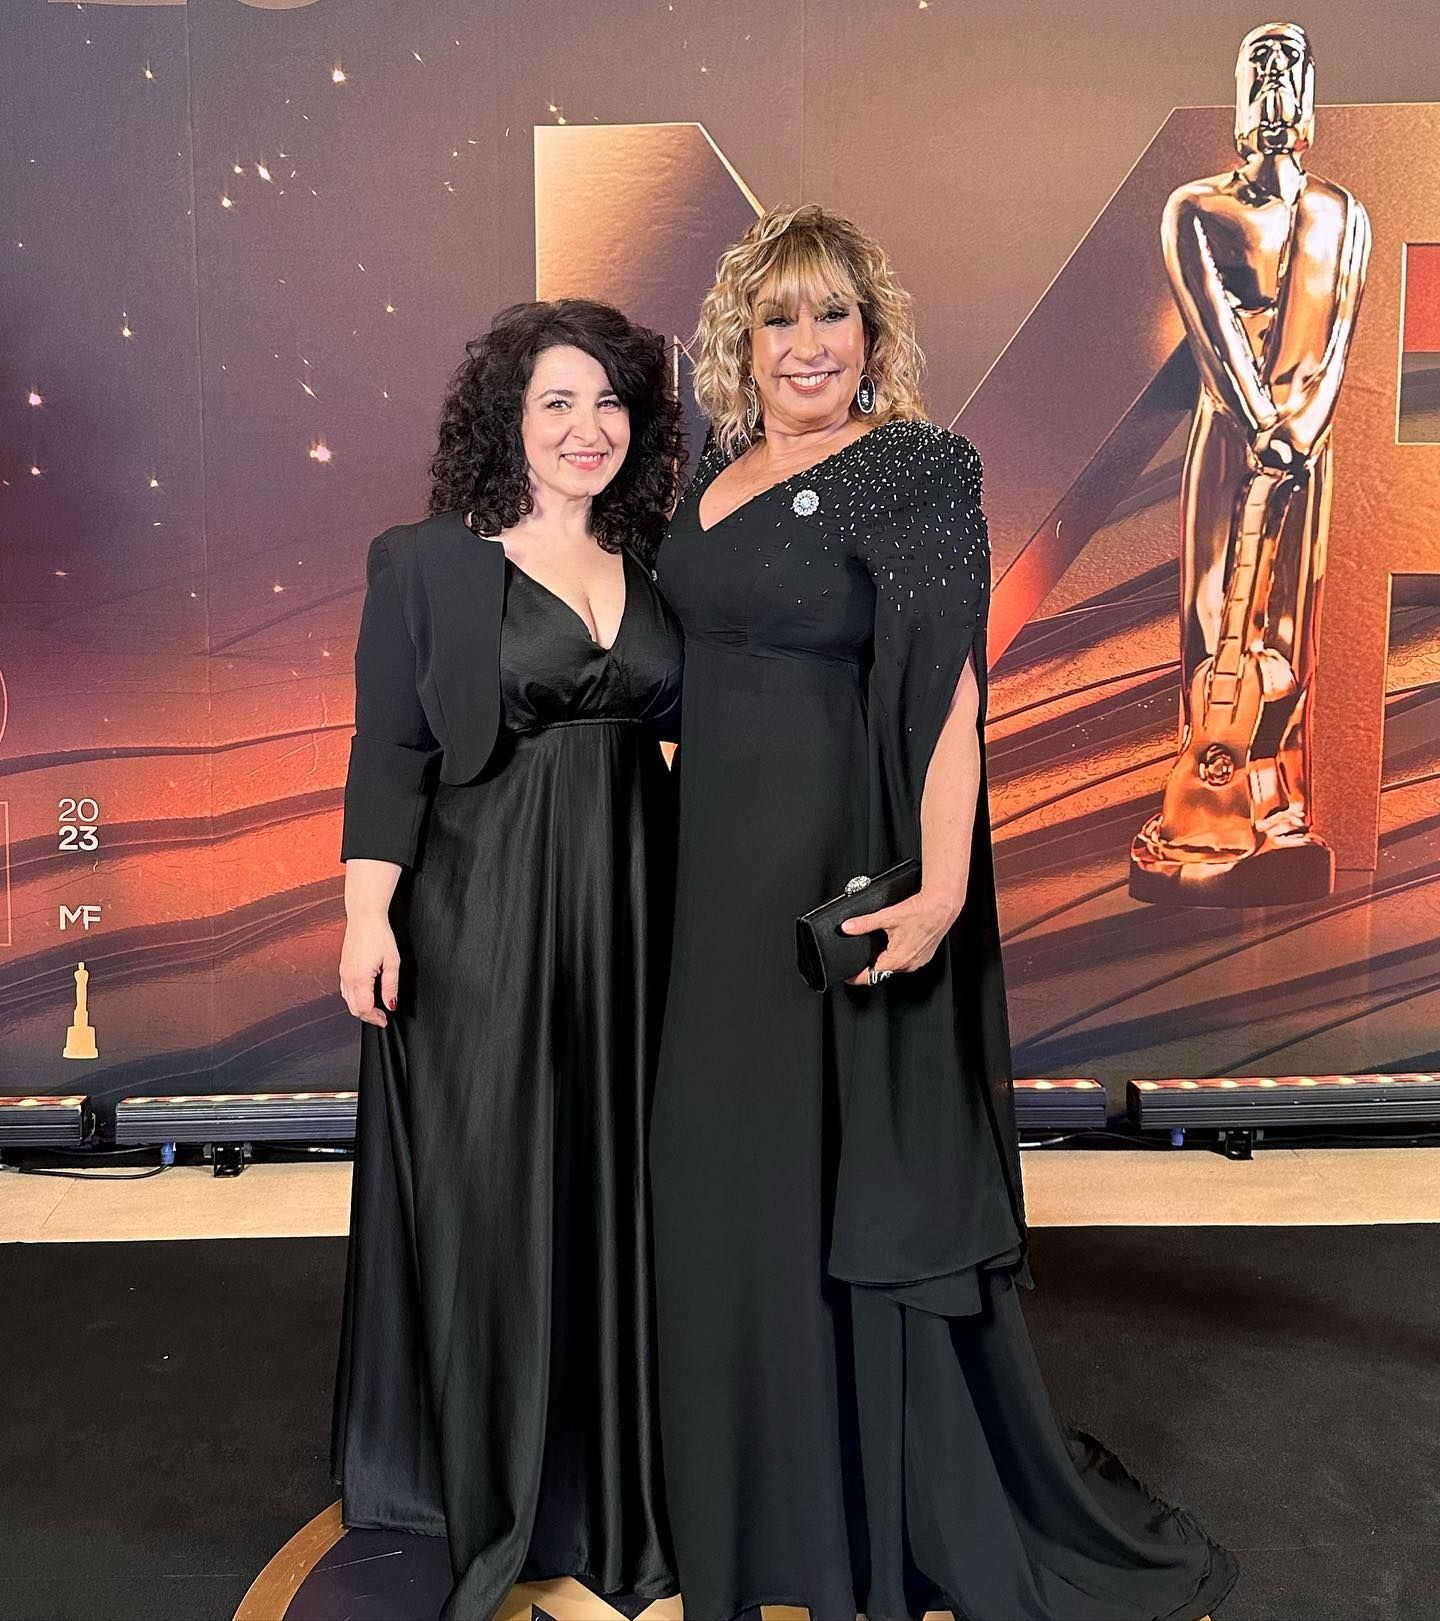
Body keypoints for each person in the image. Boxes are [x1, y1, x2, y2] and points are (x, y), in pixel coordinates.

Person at [650, 204, 1237, 1621]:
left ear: (874, 335)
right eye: (779, 317)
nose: (807, 345)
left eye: (833, 316)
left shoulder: (915, 467)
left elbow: (948, 688)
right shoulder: (711, 471)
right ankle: (742, 1511)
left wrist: (942, 890)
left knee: (831, 1183)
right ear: (740, 337)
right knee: (725, 1186)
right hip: (704, 890)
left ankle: (851, 1521)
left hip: (829, 877)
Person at [332, 299, 683, 1621]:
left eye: (610, 403)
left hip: (636, 915)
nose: (589, 428)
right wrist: (367, 916)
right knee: (498, 1193)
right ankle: (502, 1486)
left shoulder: (661, 555)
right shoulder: (428, 562)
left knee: (620, 1182)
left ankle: (614, 1479)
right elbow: (389, 749)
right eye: (557, 403)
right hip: (480, 916)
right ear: (507, 420)